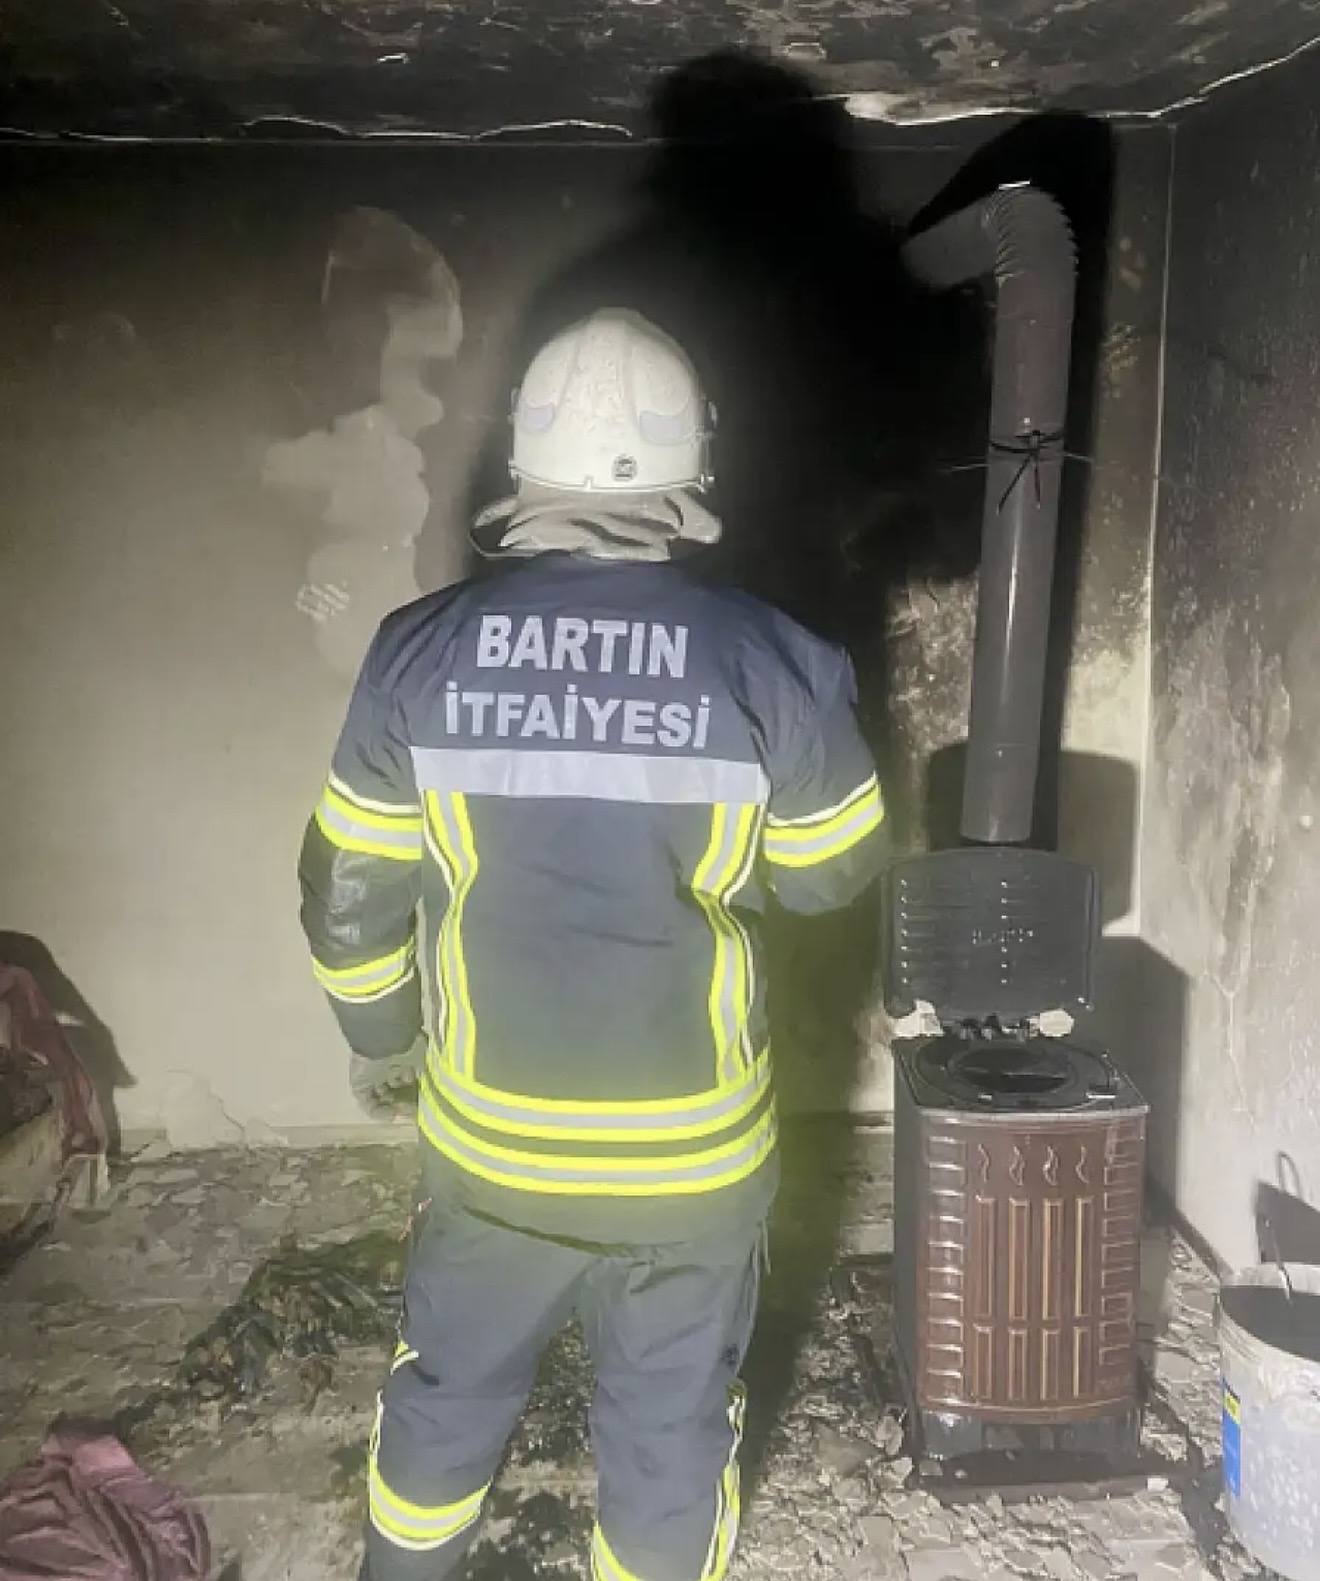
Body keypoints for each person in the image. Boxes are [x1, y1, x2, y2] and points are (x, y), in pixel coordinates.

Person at [298, 308, 887, 1581]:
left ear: (525, 460)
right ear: (693, 463)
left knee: (445, 1405)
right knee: (669, 1444)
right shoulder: (779, 660)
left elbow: (347, 891)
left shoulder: (417, 651)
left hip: (493, 1150)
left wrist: (381, 1040)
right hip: (693, 1160)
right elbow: (830, 878)